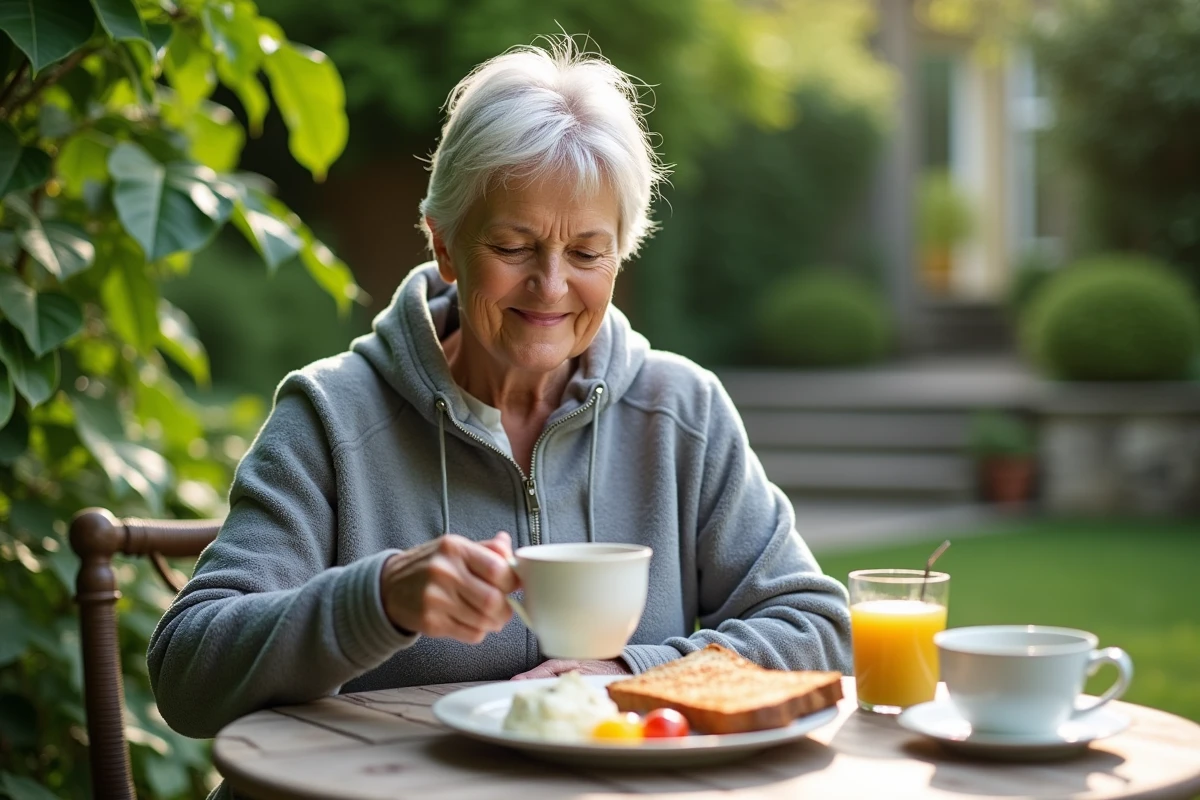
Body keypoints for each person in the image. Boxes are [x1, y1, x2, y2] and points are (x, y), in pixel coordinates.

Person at [148, 38, 852, 748]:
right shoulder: (331, 416)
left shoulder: (681, 412)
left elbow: (816, 625)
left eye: (585, 252)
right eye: (514, 247)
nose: (551, 287)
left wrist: (632, 676)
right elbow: (187, 675)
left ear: (621, 252)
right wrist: (378, 598)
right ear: (445, 245)